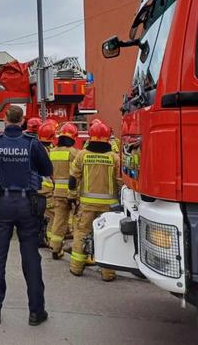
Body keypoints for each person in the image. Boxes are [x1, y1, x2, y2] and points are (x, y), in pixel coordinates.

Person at [0, 105, 53, 326]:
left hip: (1, 203)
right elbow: (46, 167)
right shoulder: (32, 143)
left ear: (4, 119)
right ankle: (36, 312)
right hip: (27, 204)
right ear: (22, 121)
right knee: (31, 257)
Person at [68, 120, 121, 281]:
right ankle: (108, 273)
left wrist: (71, 197)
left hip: (87, 205)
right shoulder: (115, 157)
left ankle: (76, 268)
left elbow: (73, 178)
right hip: (109, 207)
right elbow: (120, 181)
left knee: (82, 233)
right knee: (108, 236)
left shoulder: (82, 155)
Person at [47, 123, 80, 259]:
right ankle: (78, 250)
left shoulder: (52, 152)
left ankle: (55, 248)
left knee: (59, 220)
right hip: (72, 193)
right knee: (78, 221)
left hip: (57, 193)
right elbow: (78, 173)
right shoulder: (74, 153)